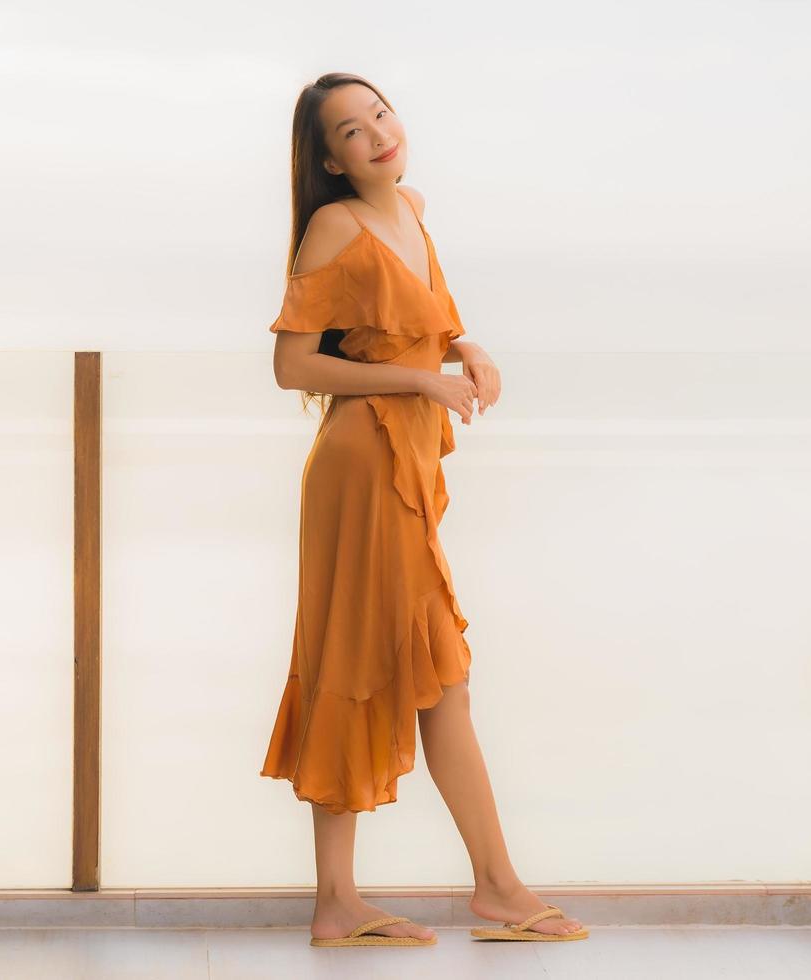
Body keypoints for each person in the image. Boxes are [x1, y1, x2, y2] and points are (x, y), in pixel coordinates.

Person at [259, 72, 587, 947]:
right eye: (352, 131)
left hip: (400, 459)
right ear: (329, 158)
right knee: (412, 668)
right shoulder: (335, 224)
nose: (377, 134)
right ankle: (495, 887)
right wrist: (420, 380)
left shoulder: (411, 206)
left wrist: (466, 347)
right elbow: (295, 367)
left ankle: (354, 900)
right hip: (363, 464)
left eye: (380, 114)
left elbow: (420, 321)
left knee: (407, 667)